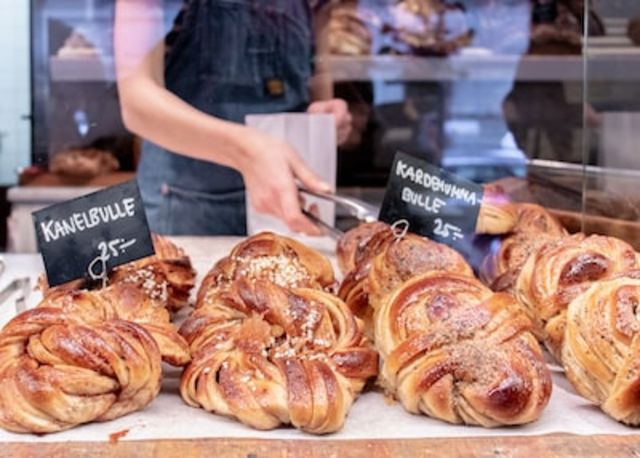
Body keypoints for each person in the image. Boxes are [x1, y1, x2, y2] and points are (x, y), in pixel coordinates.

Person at [114, 0, 353, 236]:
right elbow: (137, 103)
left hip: (290, 204)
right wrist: (246, 152)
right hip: (185, 205)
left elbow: (318, 72)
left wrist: (324, 119)